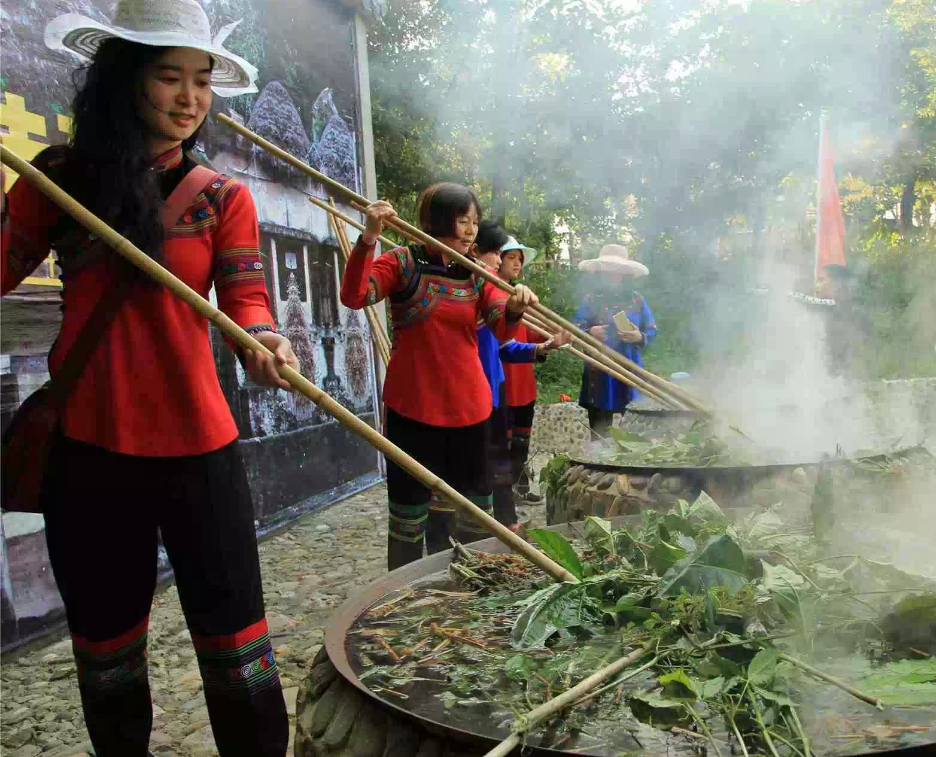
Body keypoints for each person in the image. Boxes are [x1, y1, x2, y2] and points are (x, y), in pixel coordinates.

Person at [1, 2, 293, 754]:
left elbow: (248, 300)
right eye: (171, 76)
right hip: (88, 451)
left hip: (202, 451)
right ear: (127, 78)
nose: (190, 99)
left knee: (243, 662)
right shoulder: (58, 181)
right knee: (108, 663)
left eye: (201, 82)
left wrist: (264, 342)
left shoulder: (225, 198)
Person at [341, 185, 539, 569]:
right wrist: (368, 239)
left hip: (471, 411)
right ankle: (406, 597)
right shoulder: (401, 262)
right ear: (437, 220)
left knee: (471, 515)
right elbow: (356, 296)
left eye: (475, 223)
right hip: (413, 409)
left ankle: (469, 591)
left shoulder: (478, 275)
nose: (470, 231)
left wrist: (514, 306)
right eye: (463, 221)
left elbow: (502, 325)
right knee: (408, 514)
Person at [471, 221, 567, 528]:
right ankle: (484, 529)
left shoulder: (501, 296)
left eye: (508, 256)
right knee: (483, 467)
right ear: (475, 251)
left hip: (494, 387)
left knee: (500, 464)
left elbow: (506, 346)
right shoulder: (472, 294)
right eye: (500, 254)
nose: (503, 262)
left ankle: (507, 525)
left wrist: (544, 348)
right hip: (473, 392)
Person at [490, 231, 550, 505]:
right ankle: (503, 495)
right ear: (497, 260)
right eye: (511, 257)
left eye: (520, 259)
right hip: (502, 381)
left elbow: (534, 336)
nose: (517, 263)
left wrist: (553, 337)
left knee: (522, 442)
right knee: (503, 443)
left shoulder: (521, 295)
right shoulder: (490, 295)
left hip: (524, 382)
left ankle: (521, 485)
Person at [574, 244, 657, 436]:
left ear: (625, 274)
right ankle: (598, 461)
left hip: (630, 366)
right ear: (600, 272)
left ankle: (632, 462)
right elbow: (575, 326)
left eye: (617, 270)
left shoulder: (637, 300)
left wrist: (639, 337)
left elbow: (651, 330)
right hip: (599, 368)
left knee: (635, 421)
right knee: (600, 426)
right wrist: (590, 331)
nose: (611, 274)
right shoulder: (591, 299)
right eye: (607, 270)